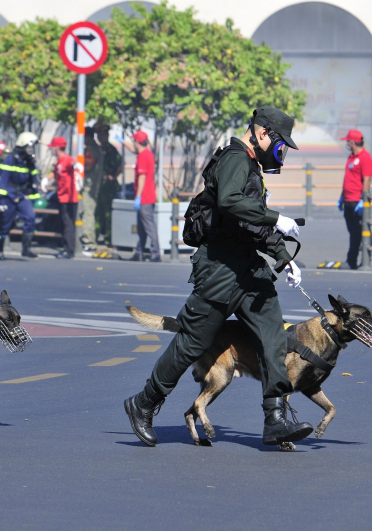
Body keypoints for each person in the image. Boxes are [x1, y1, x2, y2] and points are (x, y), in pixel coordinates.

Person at [123, 106, 310, 448]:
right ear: (263, 133)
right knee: (191, 342)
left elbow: (250, 225)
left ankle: (276, 419)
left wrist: (284, 258)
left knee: (272, 337)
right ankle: (144, 403)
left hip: (249, 271)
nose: (280, 152)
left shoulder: (250, 166)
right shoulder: (235, 159)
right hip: (220, 271)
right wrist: (276, 217)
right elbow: (230, 202)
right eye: (280, 144)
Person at [0, 133, 40, 260]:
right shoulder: (10, 160)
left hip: (22, 196)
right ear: (22, 146)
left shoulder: (29, 162)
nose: (31, 150)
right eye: (29, 147)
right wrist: (1, 199)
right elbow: (3, 181)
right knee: (4, 223)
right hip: (8, 196)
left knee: (30, 217)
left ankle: (26, 249)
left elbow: (33, 180)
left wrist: (34, 195)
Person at [336, 129, 372, 270]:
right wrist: (342, 197)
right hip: (348, 200)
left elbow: (367, 180)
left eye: (348, 141)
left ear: (352, 142)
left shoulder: (365, 158)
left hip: (357, 200)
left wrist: (364, 200)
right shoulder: (351, 157)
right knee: (353, 232)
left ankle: (362, 260)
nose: (347, 144)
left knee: (361, 232)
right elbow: (348, 178)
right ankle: (352, 260)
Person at [124, 130, 160, 262]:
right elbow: (134, 150)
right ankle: (139, 252)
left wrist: (138, 197)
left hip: (144, 197)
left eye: (134, 141)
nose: (133, 143)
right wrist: (124, 143)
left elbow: (142, 178)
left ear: (138, 142)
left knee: (149, 227)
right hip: (147, 196)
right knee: (141, 227)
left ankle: (156, 253)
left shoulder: (143, 156)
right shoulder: (147, 153)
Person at [47, 136, 77, 259]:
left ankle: (69, 250)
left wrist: (78, 166)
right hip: (61, 196)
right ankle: (65, 247)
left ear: (57, 147)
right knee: (63, 223)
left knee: (68, 224)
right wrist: (46, 179)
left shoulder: (66, 159)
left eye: (53, 147)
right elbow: (55, 172)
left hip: (68, 198)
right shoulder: (59, 161)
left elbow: (72, 163)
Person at [95, 123, 124, 245]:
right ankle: (95, 236)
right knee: (97, 212)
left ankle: (109, 238)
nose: (101, 137)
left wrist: (113, 177)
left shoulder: (111, 149)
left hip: (108, 186)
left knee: (108, 213)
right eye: (99, 134)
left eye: (103, 134)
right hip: (98, 185)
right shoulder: (96, 149)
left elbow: (120, 164)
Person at [80, 126, 104, 254]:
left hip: (89, 186)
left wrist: (78, 166)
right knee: (87, 213)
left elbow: (87, 166)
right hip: (91, 185)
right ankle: (88, 241)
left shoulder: (91, 149)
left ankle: (89, 242)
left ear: (88, 137)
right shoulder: (95, 148)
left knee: (87, 214)